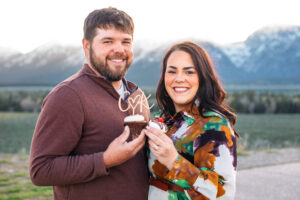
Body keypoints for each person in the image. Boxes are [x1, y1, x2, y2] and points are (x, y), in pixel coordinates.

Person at [29, 7, 150, 200]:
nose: (119, 49)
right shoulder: (68, 95)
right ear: (87, 46)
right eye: (108, 41)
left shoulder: (138, 95)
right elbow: (41, 170)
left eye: (126, 41)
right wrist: (106, 160)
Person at [144, 41, 238, 199]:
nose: (179, 79)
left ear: (202, 77)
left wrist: (173, 161)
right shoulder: (162, 119)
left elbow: (223, 194)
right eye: (172, 71)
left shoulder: (214, 124)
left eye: (189, 72)